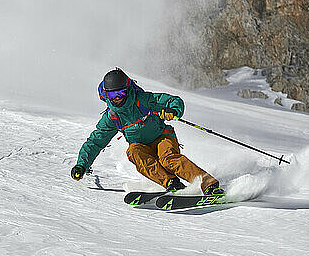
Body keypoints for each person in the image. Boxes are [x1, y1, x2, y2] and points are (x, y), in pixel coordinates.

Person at [71, 68, 224, 195]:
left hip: (162, 137)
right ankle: (171, 183)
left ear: (127, 89)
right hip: (141, 146)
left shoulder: (143, 99)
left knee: (168, 159)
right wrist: (81, 165)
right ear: (106, 95)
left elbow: (174, 101)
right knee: (133, 151)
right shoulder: (112, 117)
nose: (117, 99)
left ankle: (208, 184)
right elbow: (95, 142)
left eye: (121, 93)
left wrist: (172, 110)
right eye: (112, 95)